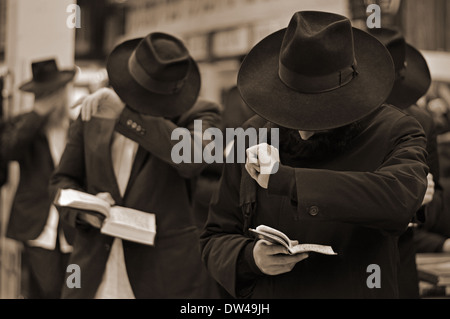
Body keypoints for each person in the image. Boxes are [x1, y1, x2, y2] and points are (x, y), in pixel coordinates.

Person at [200, 11, 429, 299]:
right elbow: (214, 236)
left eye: (320, 115)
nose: (305, 130)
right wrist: (250, 257)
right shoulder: (253, 133)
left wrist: (290, 180)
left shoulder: (394, 129)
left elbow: (400, 199)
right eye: (292, 111)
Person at [50, 32, 222, 298]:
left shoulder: (201, 113)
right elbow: (61, 181)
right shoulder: (95, 111)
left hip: (162, 275)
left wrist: (128, 115)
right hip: (92, 269)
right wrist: (83, 212)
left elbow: (194, 158)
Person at [369, 27, 442, 299]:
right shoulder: (336, 122)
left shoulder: (421, 122)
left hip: (401, 262)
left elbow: (436, 202)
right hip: (346, 259)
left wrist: (422, 201)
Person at [1, 58, 76, 298]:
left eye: (55, 92)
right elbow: (8, 151)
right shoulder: (23, 125)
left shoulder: (76, 128)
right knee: (47, 290)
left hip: (71, 227)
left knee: (72, 290)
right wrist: (38, 114)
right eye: (44, 95)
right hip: (37, 226)